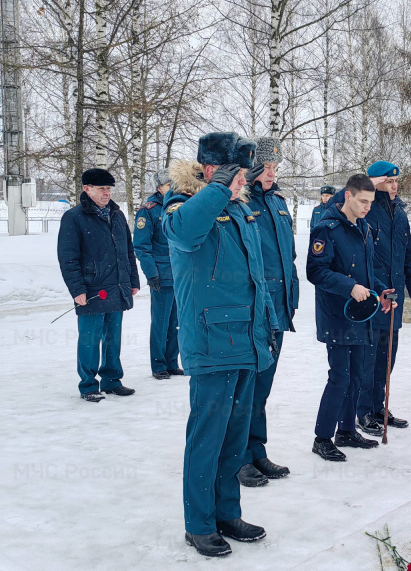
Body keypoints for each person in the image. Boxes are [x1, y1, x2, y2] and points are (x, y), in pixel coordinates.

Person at [163, 131, 280, 557]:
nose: (244, 181)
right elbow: (182, 234)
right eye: (236, 173)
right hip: (211, 343)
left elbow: (256, 278)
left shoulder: (240, 209)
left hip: (246, 340)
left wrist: (267, 324)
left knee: (233, 441)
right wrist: (217, 188)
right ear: (212, 170)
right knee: (207, 440)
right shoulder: (182, 207)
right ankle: (199, 524)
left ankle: (227, 513)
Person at [306, 173, 395, 462]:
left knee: (357, 374)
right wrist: (349, 287)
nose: (367, 207)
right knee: (340, 376)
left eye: (371, 202)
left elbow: (367, 272)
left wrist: (380, 291)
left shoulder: (364, 227)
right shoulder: (327, 228)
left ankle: (346, 430)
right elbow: (315, 271)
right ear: (348, 196)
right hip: (337, 314)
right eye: (363, 201)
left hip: (361, 314)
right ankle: (322, 438)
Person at [238, 136, 297, 488]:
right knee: (246, 389)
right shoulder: (240, 202)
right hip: (254, 310)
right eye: (266, 167)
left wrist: (291, 296)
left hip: (278, 309)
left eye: (275, 167)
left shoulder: (278, 202)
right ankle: (239, 458)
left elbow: (288, 256)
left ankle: (256, 450)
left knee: (262, 387)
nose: (272, 173)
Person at [57, 168, 140, 402]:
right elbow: (68, 258)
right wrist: (77, 290)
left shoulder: (117, 214)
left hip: (117, 286)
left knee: (113, 338)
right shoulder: (74, 217)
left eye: (109, 189)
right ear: (87, 189)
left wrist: (132, 280)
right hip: (92, 288)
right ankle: (88, 384)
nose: (107, 193)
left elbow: (128, 251)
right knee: (90, 340)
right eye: (102, 188)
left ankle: (112, 380)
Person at [356, 161, 411, 436]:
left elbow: (407, 256)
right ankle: (363, 410)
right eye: (389, 182)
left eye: (396, 181)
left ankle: (378, 406)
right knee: (369, 357)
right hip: (373, 295)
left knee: (387, 356)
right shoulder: (365, 211)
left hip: (394, 296)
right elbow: (364, 259)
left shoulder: (400, 213)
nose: (395, 186)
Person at [133, 168, 182, 380]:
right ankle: (159, 364)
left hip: (181, 275)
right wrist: (151, 273)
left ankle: (172, 362)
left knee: (176, 322)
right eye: (169, 185)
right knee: (161, 323)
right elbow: (141, 246)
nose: (173, 189)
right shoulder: (149, 211)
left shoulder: (180, 206)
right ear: (159, 187)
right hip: (162, 276)